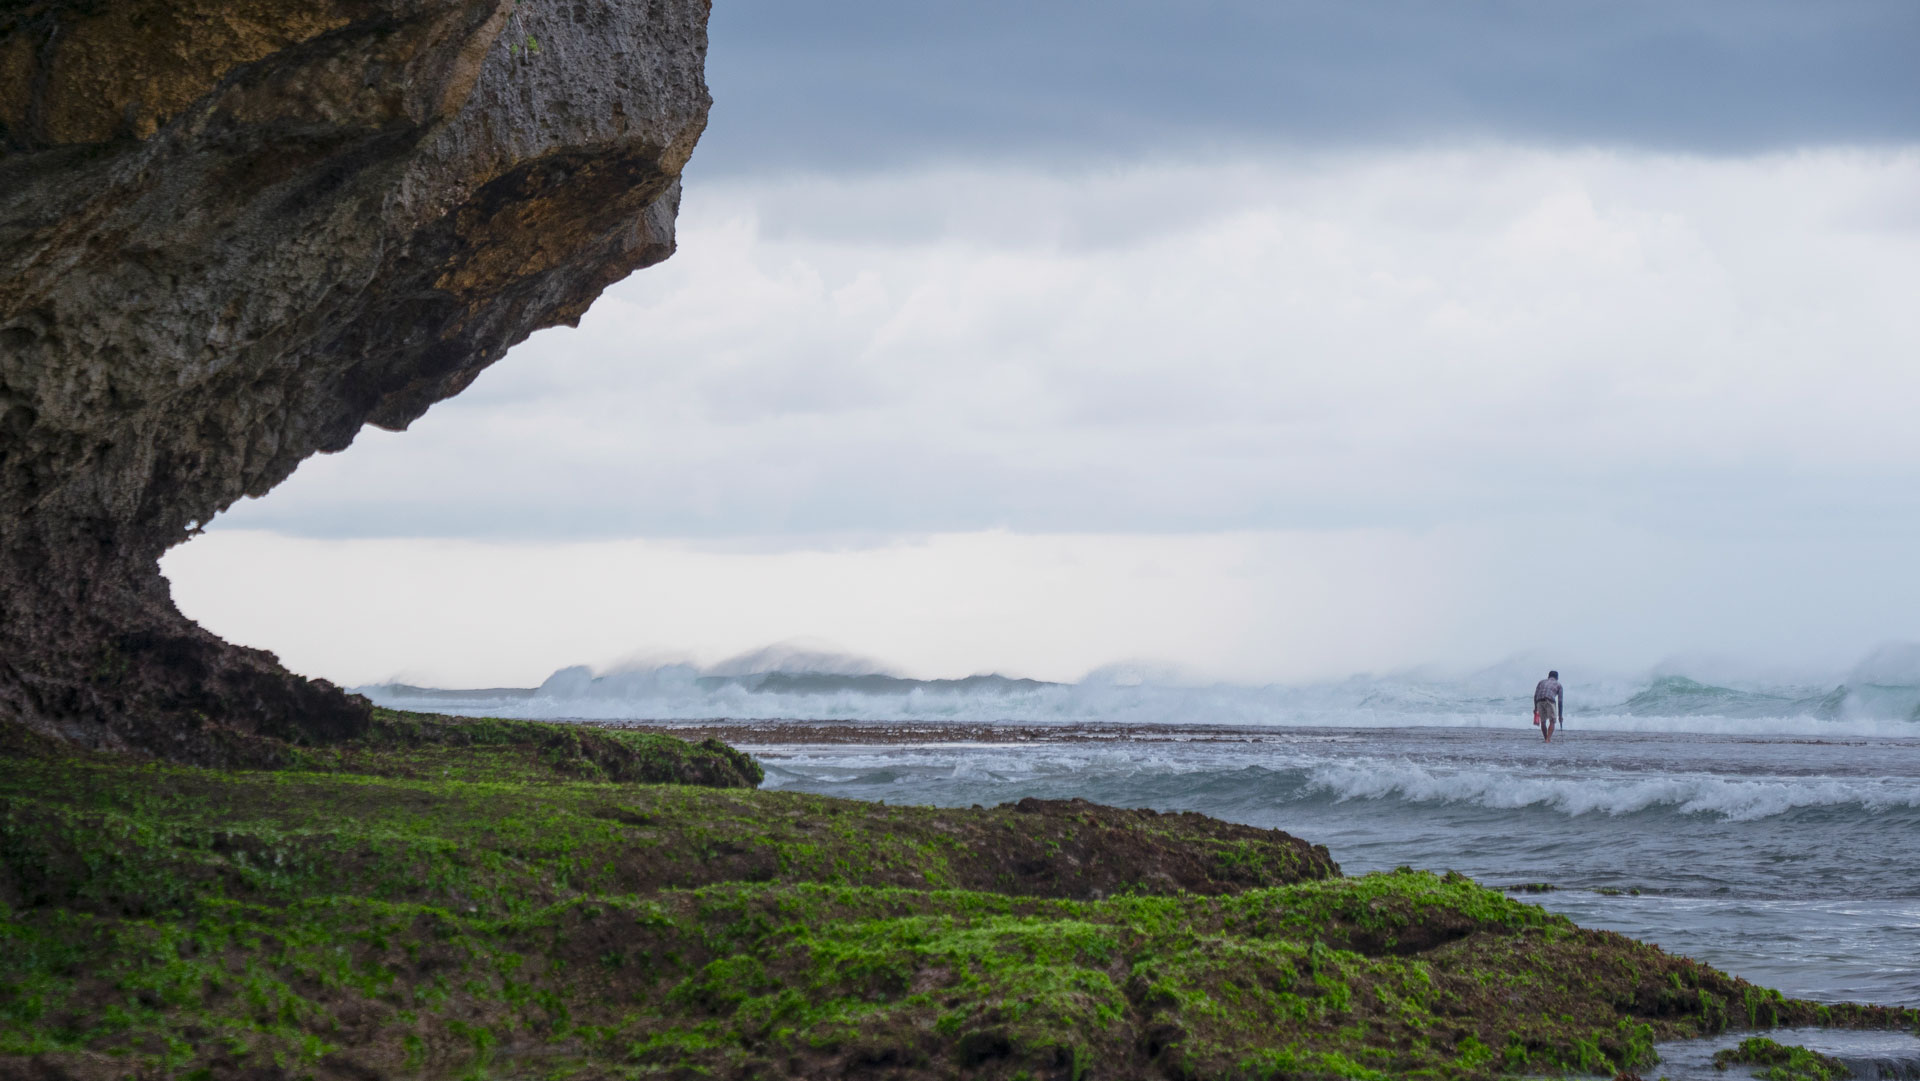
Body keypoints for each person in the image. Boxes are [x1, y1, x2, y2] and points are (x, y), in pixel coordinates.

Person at [1533, 670, 1564, 742]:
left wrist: (1535, 708)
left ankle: (1546, 738)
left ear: (1548, 676)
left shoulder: (1541, 682)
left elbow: (1535, 695)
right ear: (1557, 677)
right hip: (1549, 701)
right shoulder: (1559, 685)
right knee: (1552, 721)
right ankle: (1548, 739)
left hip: (1539, 701)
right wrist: (1560, 716)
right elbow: (1560, 702)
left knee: (1543, 721)